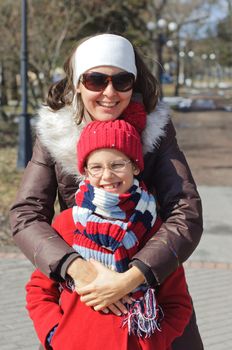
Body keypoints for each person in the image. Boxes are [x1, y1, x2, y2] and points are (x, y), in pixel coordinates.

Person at [10, 33, 203, 349]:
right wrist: (77, 272)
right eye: (96, 80)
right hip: (82, 314)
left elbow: (186, 209)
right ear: (78, 84)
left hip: (148, 306)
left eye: (121, 81)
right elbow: (26, 214)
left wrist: (131, 278)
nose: (109, 93)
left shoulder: (154, 129)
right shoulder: (55, 133)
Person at [26, 119, 192, 350]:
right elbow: (39, 291)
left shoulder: (154, 227)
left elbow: (178, 303)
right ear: (84, 171)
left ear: (135, 166)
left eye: (117, 164)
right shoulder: (67, 223)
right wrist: (56, 333)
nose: (107, 175)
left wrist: (151, 343)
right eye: (96, 167)